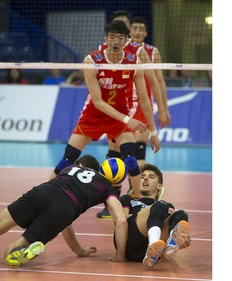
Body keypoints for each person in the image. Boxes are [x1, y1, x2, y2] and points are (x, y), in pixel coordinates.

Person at [0, 155, 129, 268]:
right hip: (65, 209)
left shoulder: (70, 169)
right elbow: (120, 221)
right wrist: (119, 255)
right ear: (118, 180)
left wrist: (79, 251)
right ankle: (26, 250)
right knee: (9, 253)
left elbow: (61, 198)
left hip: (44, 190)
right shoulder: (107, 188)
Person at [49, 21, 160, 200]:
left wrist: (153, 132)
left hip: (119, 117)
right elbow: (98, 102)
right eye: (112, 37)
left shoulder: (133, 63)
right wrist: (127, 120)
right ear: (105, 39)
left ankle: (142, 203)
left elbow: (145, 100)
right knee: (67, 160)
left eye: (120, 38)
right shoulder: (92, 61)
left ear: (126, 41)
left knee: (131, 161)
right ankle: (46, 194)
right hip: (93, 115)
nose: (115, 41)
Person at [97, 16, 170, 218]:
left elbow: (156, 82)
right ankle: (113, 201)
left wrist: (163, 108)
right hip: (119, 108)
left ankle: (141, 198)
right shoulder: (105, 50)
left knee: (135, 156)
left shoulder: (142, 52)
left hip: (139, 106)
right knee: (114, 156)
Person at [115, 163, 191, 268]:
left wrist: (184, 240)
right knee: (160, 206)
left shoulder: (166, 206)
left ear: (159, 186)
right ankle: (154, 245)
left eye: (151, 177)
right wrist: (147, 213)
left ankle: (170, 246)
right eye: (143, 177)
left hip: (141, 253)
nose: (145, 179)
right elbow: (121, 221)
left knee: (181, 214)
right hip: (128, 241)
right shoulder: (127, 199)